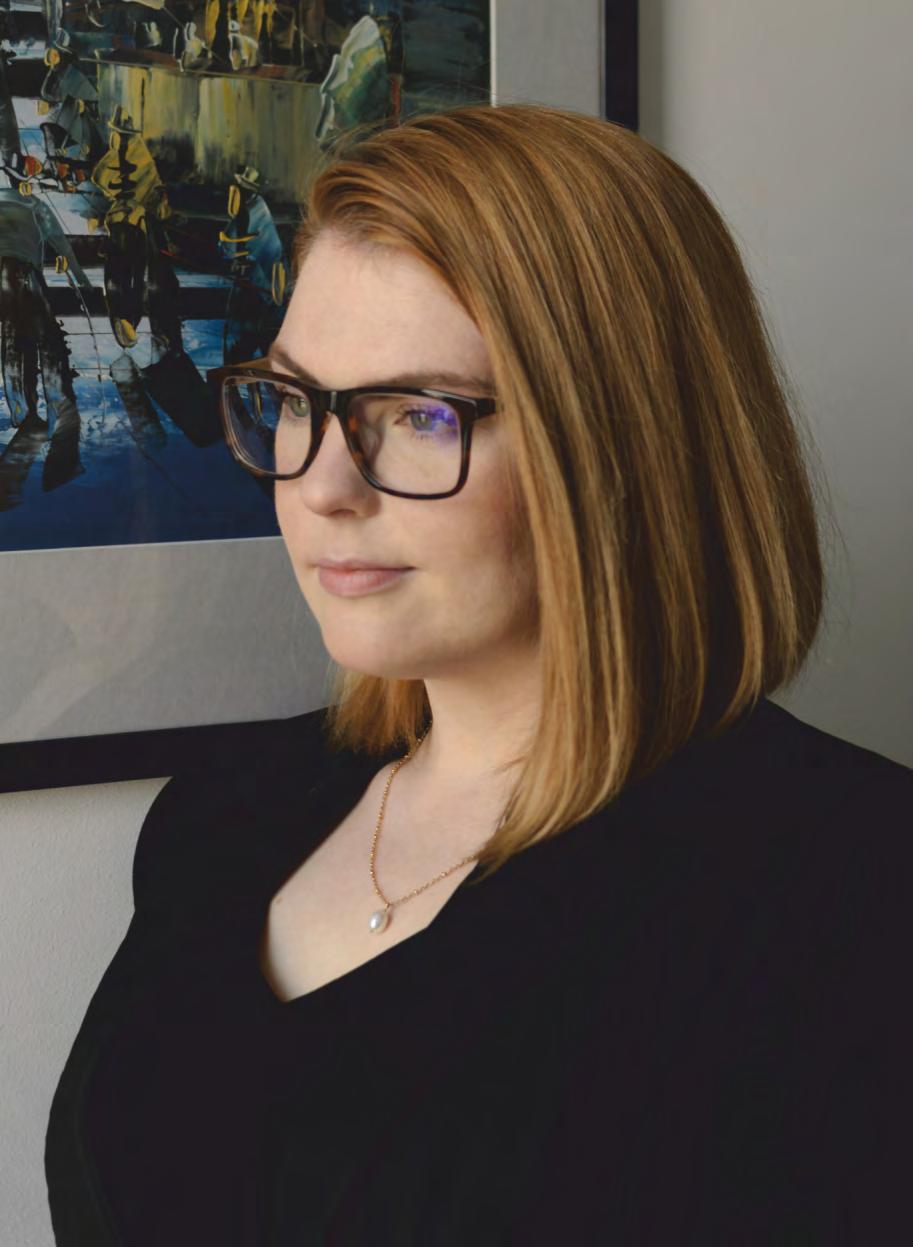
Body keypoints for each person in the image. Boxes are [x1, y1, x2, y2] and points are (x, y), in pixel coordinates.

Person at [44, 102, 912, 1244]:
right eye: (295, 401)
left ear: (621, 449)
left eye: (417, 413)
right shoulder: (222, 814)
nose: (320, 488)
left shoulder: (853, 890)